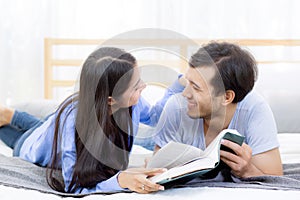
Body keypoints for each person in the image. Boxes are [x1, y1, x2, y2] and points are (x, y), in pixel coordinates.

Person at [0, 47, 184, 194]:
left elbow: (154, 117)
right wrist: (120, 181)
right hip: (30, 144)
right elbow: (73, 186)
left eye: (140, 79)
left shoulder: (131, 104)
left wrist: (180, 84)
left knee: (45, 124)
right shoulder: (72, 124)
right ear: (111, 100)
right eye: (136, 87)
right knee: (20, 136)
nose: (144, 86)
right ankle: (9, 115)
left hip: (50, 126)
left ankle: (11, 114)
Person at [153, 42, 283, 179]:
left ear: (226, 97)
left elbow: (274, 176)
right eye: (187, 82)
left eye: (196, 88)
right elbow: (155, 169)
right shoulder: (176, 107)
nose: (186, 93)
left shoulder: (255, 110)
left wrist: (247, 170)